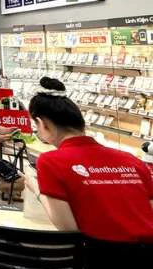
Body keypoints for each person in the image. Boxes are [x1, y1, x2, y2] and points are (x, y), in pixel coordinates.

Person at [26, 77, 153, 242]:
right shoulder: (132, 160)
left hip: (99, 254)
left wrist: (36, 188)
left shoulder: (50, 162)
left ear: (42, 124)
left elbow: (68, 230)